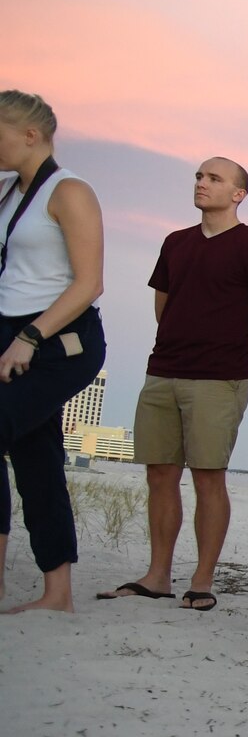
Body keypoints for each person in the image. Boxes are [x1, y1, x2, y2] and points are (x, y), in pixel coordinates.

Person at [98, 157, 248, 611]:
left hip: (218, 379)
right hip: (163, 370)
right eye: (199, 176)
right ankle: (157, 575)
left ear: (238, 193)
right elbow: (165, 307)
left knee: (208, 477)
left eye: (214, 178)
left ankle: (202, 580)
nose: (202, 183)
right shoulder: (175, 242)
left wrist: (239, 358)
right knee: (160, 474)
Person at [0, 91, 106, 614]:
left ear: (29, 134)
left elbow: (89, 284)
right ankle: (57, 593)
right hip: (10, 335)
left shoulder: (69, 191)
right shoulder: (7, 193)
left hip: (58, 341)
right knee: (37, 458)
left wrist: (30, 337)